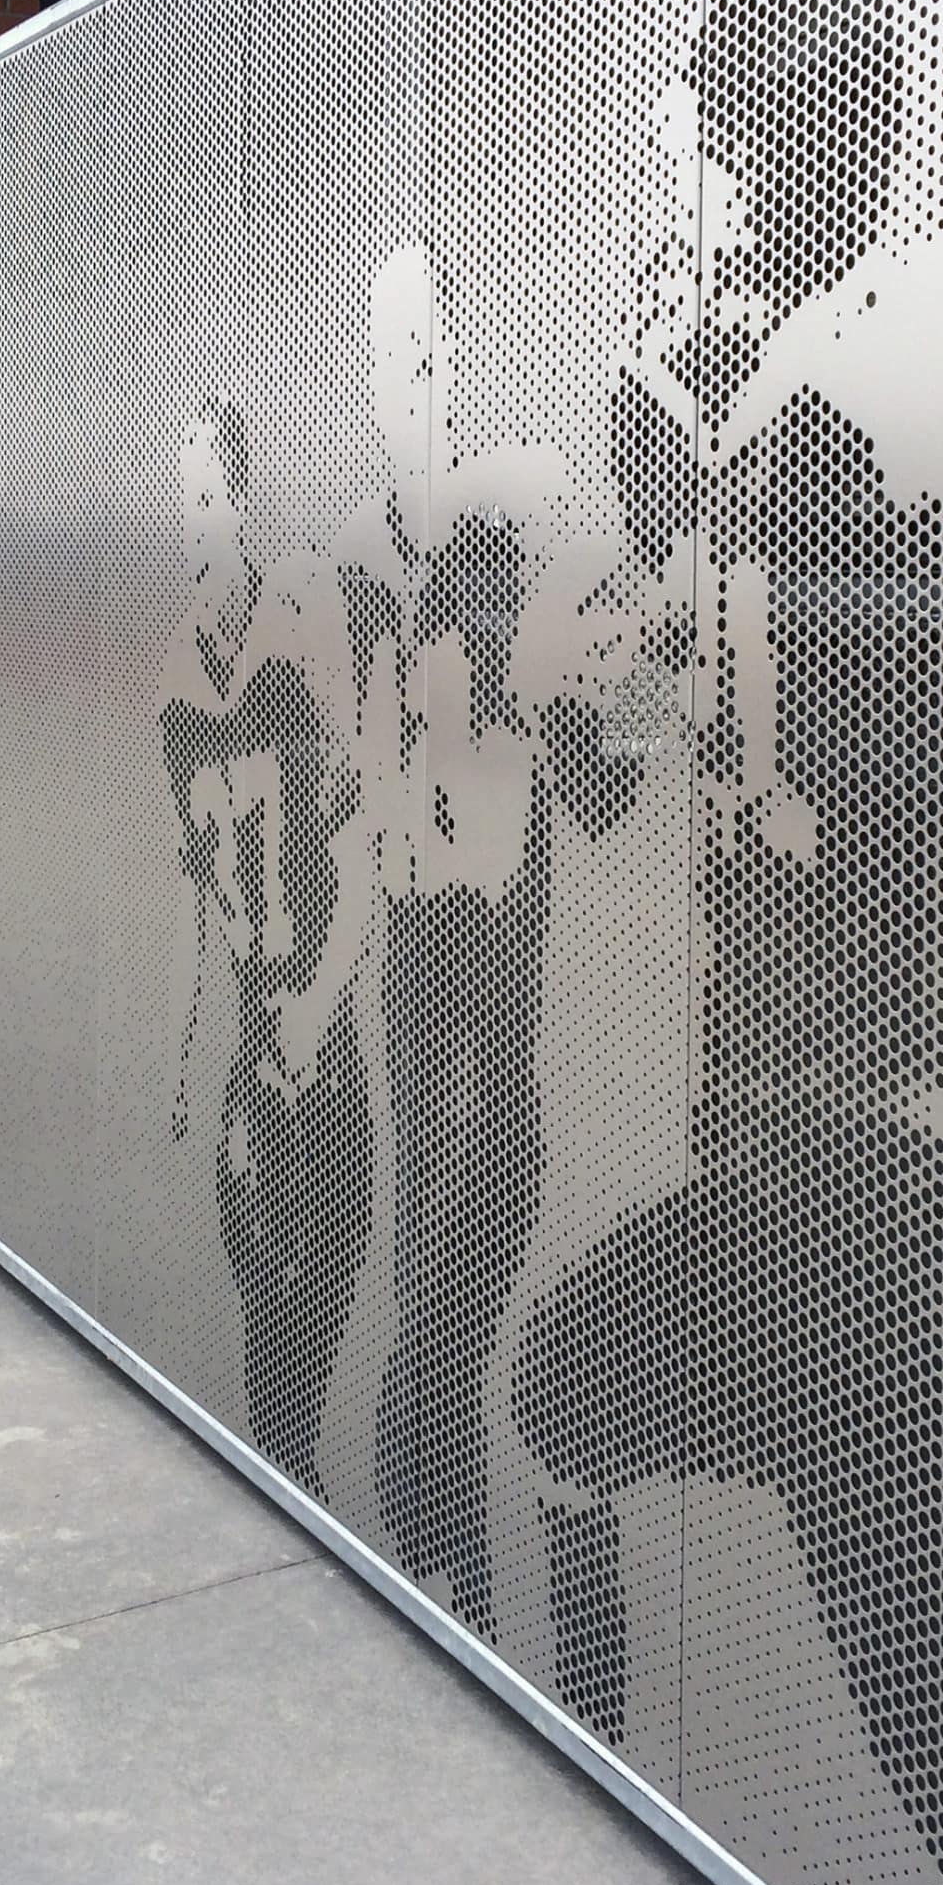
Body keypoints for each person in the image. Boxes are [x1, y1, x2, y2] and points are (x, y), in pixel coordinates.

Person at [511, 0, 943, 1885]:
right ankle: (609, 1758)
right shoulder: (708, 471)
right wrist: (584, 665)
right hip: (789, 1168)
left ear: (807, 166)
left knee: (572, 1397)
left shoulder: (902, 470)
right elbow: (607, 780)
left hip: (855, 1190)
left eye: (706, 165)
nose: (678, 221)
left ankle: (597, 1757)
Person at [342, 247, 637, 1638]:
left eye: (437, 357)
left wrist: (553, 687)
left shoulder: (507, 562)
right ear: (370, 386)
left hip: (507, 1054)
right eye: (398, 359)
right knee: (437, 1346)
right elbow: (350, 801)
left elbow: (607, 787)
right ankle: (459, 1608)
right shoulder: (356, 576)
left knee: (471, 1356)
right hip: (416, 1030)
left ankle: (515, 1639)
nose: (422, 386)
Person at [160, 399, 377, 1499]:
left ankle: (302, 1495)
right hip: (256, 1052)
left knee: (323, 1267)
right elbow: (206, 893)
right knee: (266, 1286)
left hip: (322, 1042)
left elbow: (356, 833)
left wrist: (325, 990)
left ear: (240, 503)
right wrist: (197, 1041)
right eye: (181, 503)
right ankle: (289, 1495)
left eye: (207, 500)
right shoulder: (180, 691)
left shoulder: (299, 623)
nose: (194, 526)